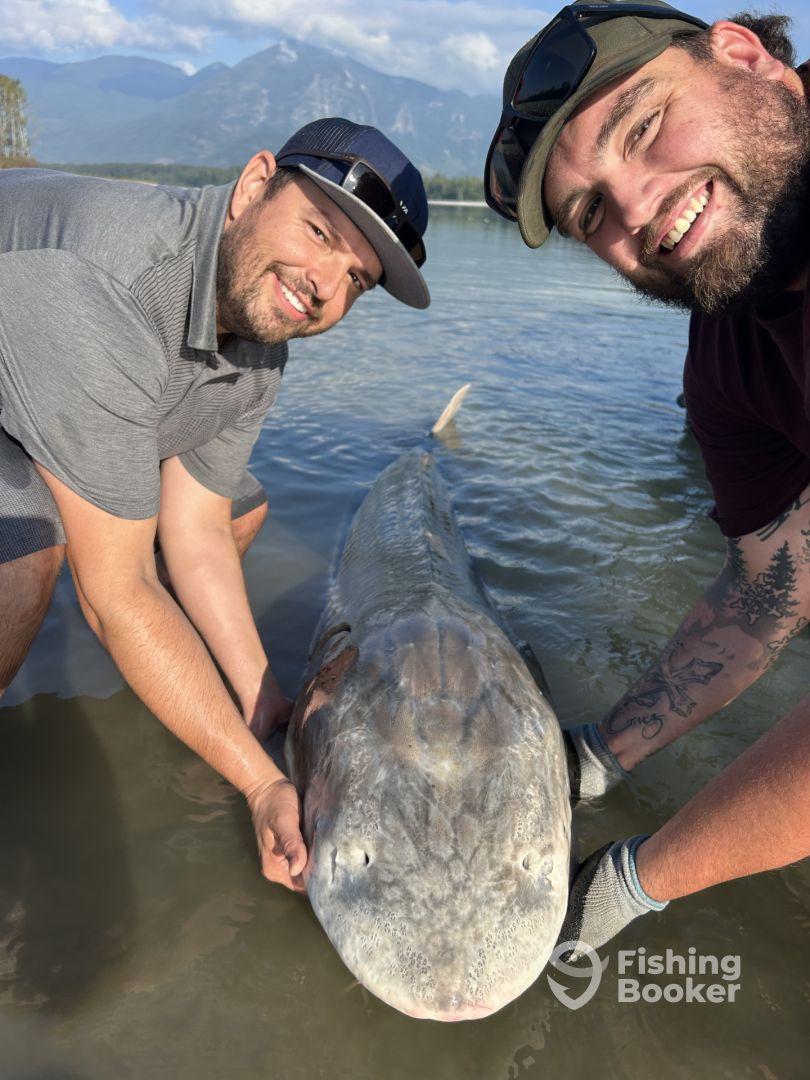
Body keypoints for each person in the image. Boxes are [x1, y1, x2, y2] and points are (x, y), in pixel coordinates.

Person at [0, 117, 429, 892]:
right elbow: (117, 593)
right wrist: (260, 785)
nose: (324, 284)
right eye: (319, 230)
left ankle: (186, 683)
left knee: (237, 511)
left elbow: (196, 532)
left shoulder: (263, 344)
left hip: (63, 374)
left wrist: (266, 703)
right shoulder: (111, 281)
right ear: (253, 184)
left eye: (357, 280)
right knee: (26, 553)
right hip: (35, 325)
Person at [485, 0, 810, 953]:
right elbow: (770, 589)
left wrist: (635, 880)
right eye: (592, 212)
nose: (637, 210)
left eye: (643, 125)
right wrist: (593, 759)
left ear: (746, 57)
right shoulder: (725, 355)